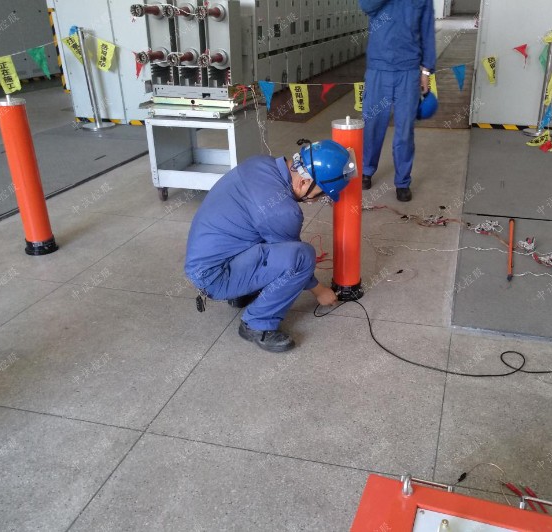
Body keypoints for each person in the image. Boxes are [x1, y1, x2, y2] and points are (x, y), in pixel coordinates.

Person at [184, 139, 357, 353]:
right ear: (304, 182)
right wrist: (320, 291)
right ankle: (257, 324)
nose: (315, 201)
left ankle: (240, 292)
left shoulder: (261, 163)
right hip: (215, 277)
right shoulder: (284, 211)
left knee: (264, 235)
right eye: (320, 194)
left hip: (207, 260)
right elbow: (293, 258)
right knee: (303, 256)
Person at [359, 0, 436, 202]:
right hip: (379, 67)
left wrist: (426, 70)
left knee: (405, 130)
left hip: (408, 70)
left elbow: (427, 30)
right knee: (372, 124)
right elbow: (366, 5)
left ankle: (403, 182)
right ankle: (366, 170)